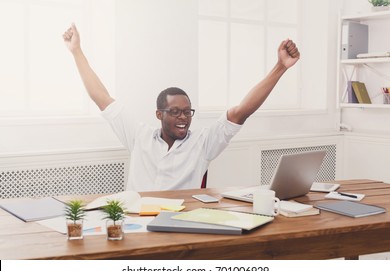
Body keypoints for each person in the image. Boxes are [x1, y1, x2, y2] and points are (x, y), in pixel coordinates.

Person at [63, 23, 300, 192]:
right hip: (135, 222)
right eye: (175, 112)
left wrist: (280, 67)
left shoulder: (203, 143)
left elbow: (241, 111)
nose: (183, 118)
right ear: (159, 114)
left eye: (187, 112)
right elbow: (100, 96)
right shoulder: (139, 136)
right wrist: (76, 51)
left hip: (179, 223)